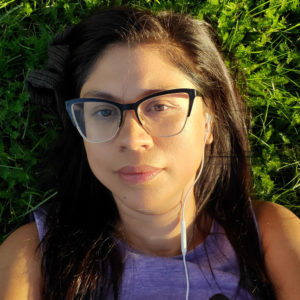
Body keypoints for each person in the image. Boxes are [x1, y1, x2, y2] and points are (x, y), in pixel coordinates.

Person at [0, 6, 299, 300]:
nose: (132, 139)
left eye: (159, 106)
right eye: (103, 111)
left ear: (209, 122)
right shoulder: (35, 253)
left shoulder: (267, 232)